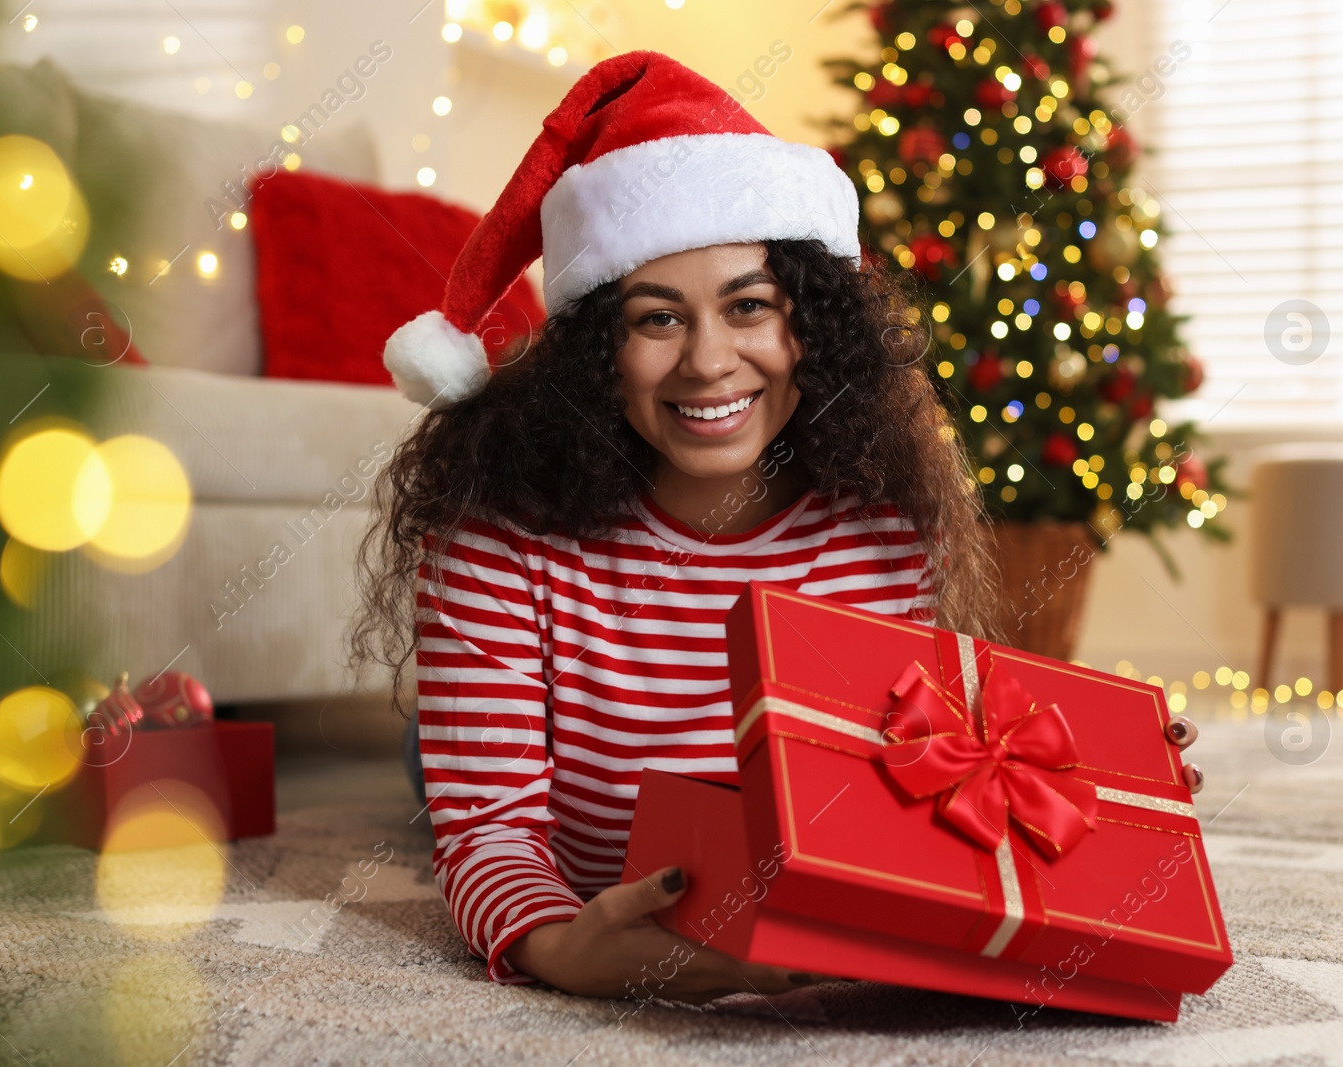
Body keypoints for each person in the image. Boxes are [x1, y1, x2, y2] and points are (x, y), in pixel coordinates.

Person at [353, 51, 1203, 1005]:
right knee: (433, 782)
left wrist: (1103, 783)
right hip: (544, 780)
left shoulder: (882, 516)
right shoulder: (493, 527)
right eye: (656, 319)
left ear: (814, 320)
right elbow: (492, 830)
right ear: (596, 351)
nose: (710, 362)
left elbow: (921, 773)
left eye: (750, 306)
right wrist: (555, 945)